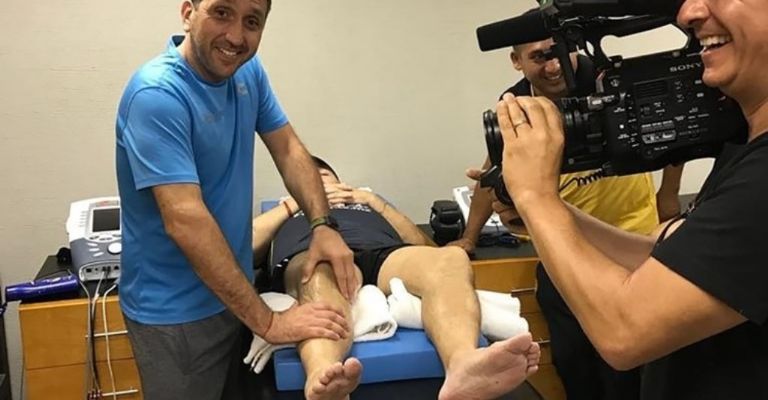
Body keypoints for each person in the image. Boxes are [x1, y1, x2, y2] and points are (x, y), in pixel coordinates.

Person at [492, 0, 768, 398]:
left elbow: (624, 333)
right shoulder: (745, 151)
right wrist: (545, 205)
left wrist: (536, 198)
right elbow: (664, 260)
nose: (688, 14)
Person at [115, 1, 360, 398]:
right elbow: (186, 221)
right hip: (175, 315)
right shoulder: (156, 95)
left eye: (252, 21)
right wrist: (269, 322)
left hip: (232, 293)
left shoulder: (247, 71)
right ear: (188, 13)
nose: (235, 36)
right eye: (222, 12)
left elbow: (288, 149)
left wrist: (322, 225)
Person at [449, 32, 663, 400]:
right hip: (563, 249)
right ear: (516, 61)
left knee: (627, 371)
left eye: (560, 52)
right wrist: (469, 238)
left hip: (632, 245)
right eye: (539, 56)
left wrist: (669, 195)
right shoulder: (516, 109)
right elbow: (491, 175)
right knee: (573, 362)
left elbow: (666, 136)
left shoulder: (608, 82)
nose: (553, 66)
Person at [252, 156, 541, 400]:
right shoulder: (288, 210)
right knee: (318, 274)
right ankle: (324, 377)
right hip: (313, 254)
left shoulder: (365, 203)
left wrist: (373, 201)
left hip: (382, 254)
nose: (321, 184)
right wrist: (295, 203)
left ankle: (464, 365)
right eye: (311, 181)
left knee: (451, 258)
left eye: (325, 178)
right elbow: (248, 247)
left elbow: (425, 247)